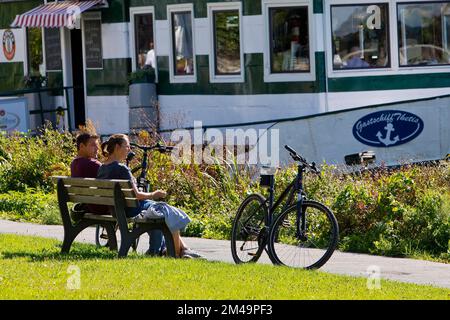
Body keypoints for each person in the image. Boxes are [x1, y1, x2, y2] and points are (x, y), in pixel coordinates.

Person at [97, 134, 202, 259]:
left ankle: (180, 249)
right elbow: (136, 195)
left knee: (161, 210)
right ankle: (176, 252)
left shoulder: (102, 168)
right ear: (118, 147)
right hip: (132, 209)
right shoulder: (121, 169)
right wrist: (154, 194)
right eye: (127, 146)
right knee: (163, 210)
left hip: (117, 210)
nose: (129, 149)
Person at [70, 133, 109, 217]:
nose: (97, 148)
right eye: (93, 145)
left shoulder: (74, 164)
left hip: (87, 205)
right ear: (81, 146)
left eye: (97, 145)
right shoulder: (94, 164)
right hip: (101, 207)